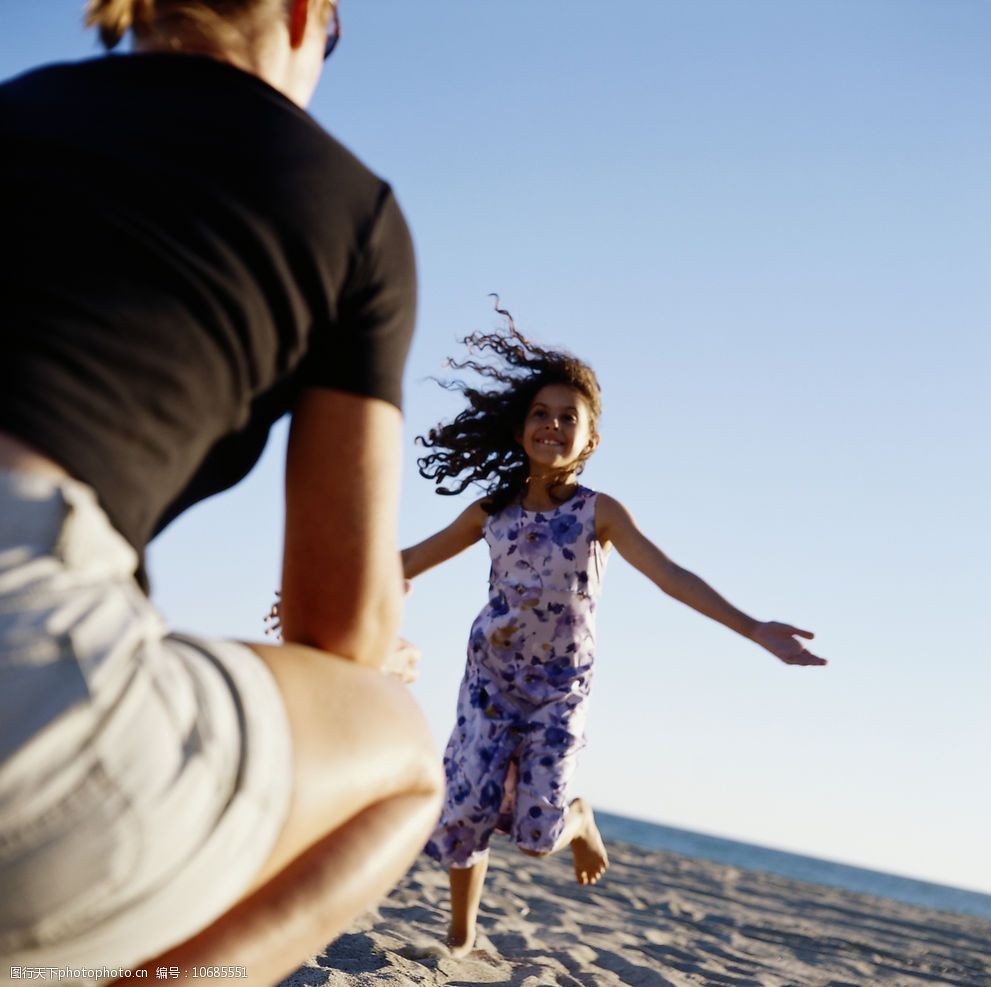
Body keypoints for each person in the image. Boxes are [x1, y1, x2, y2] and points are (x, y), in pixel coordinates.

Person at [0, 1, 443, 984]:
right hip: (25, 692)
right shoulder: (348, 209)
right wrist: (372, 663)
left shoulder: (17, 105)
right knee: (404, 755)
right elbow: (342, 631)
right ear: (299, 16)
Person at [401, 307, 827, 956]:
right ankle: (461, 934)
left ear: (590, 439)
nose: (552, 424)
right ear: (521, 429)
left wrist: (751, 627)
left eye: (568, 417)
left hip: (557, 691)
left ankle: (578, 817)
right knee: (465, 808)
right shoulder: (491, 510)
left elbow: (670, 574)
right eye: (541, 413)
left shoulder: (598, 512)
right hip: (488, 682)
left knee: (537, 832)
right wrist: (318, 587)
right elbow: (407, 561)